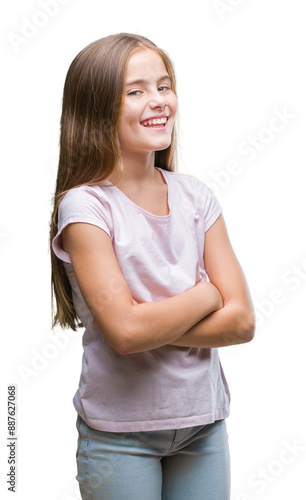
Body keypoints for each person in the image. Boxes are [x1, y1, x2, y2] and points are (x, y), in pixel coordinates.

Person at [50, 32, 255, 500]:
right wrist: (205, 296)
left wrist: (149, 322)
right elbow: (124, 333)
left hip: (203, 427)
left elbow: (241, 321)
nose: (158, 101)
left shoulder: (196, 196)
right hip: (120, 438)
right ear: (95, 108)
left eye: (164, 86)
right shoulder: (86, 207)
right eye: (136, 90)